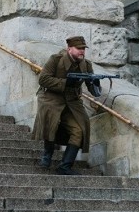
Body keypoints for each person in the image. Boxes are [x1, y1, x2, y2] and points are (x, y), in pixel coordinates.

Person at [32, 36, 100, 175]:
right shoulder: (55, 60)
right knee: (52, 123)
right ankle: (47, 155)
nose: (82, 51)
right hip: (51, 98)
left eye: (83, 49)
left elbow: (94, 91)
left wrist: (96, 83)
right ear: (70, 49)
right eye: (79, 48)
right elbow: (43, 79)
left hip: (72, 101)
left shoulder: (86, 65)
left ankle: (65, 166)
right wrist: (64, 83)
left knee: (79, 129)